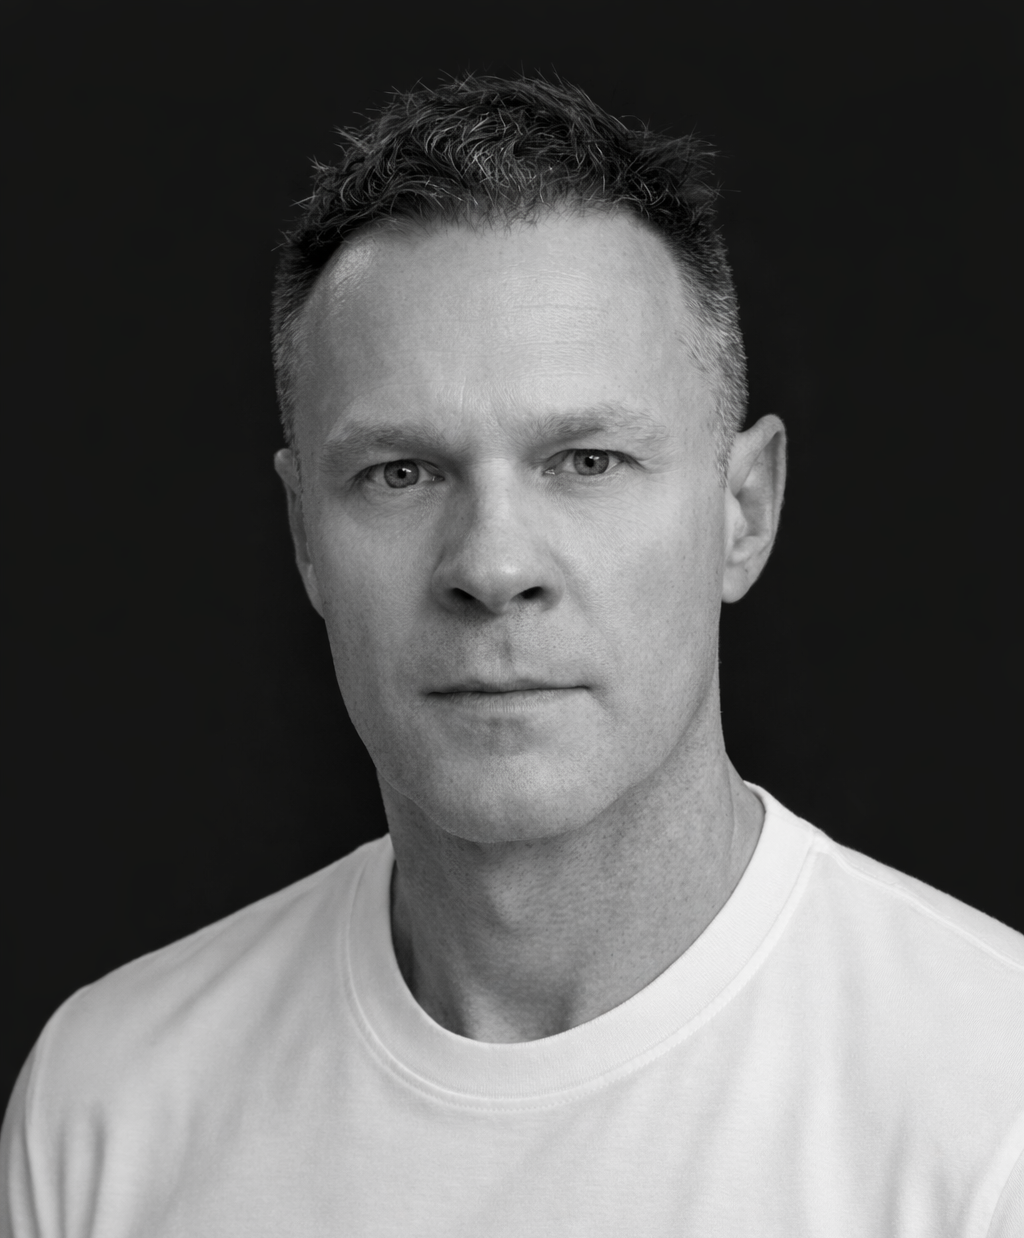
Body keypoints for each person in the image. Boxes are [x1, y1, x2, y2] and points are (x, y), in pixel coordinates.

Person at [2, 74, 1021, 1238]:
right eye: (401, 472)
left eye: (585, 460)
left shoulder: (992, 1113)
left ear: (742, 509)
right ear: (304, 539)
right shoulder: (110, 1104)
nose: (490, 565)